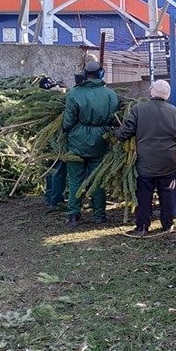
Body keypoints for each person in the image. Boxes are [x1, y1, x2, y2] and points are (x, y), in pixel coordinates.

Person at [116, 80, 176, 238]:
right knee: (167, 193)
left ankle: (142, 227)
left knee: (144, 194)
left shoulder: (138, 109)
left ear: (152, 91)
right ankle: (167, 224)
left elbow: (125, 131)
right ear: (167, 94)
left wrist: (117, 134)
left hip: (146, 161)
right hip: (169, 161)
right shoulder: (175, 112)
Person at [62, 59, 120, 227]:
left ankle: (73, 215)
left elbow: (67, 122)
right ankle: (100, 215)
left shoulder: (75, 93)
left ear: (85, 74)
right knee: (98, 179)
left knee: (75, 180)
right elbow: (114, 119)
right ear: (101, 74)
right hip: (101, 142)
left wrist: (68, 131)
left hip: (77, 142)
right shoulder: (110, 94)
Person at [39, 77, 68, 211]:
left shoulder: (40, 105)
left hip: (46, 141)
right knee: (58, 170)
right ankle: (55, 201)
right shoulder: (55, 105)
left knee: (50, 169)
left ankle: (50, 197)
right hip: (57, 141)